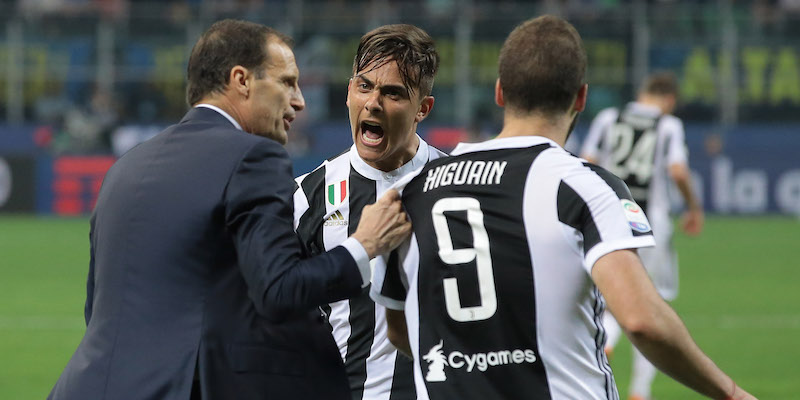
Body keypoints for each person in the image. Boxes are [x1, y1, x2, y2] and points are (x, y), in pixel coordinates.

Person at [370, 15, 757, 400]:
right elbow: (641, 321)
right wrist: (732, 393)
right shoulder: (584, 186)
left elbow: (401, 330)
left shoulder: (410, 193)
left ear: (500, 92)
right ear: (581, 98)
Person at [48, 19, 411, 400]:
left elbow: (98, 306)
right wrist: (364, 244)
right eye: (286, 82)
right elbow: (279, 289)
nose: (299, 100)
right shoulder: (254, 157)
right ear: (242, 80)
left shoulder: (127, 166)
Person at [293, 24, 444, 400]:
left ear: (422, 109)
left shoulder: (455, 187)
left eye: (393, 93)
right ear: (349, 92)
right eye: (364, 86)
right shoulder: (306, 197)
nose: (373, 103)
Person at [580, 71, 704, 400]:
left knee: (608, 300)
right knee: (652, 302)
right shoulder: (668, 125)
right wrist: (693, 206)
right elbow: (677, 169)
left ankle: (606, 340)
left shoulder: (609, 118)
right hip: (650, 224)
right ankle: (640, 390)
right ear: (670, 99)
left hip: (608, 220)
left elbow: (587, 162)